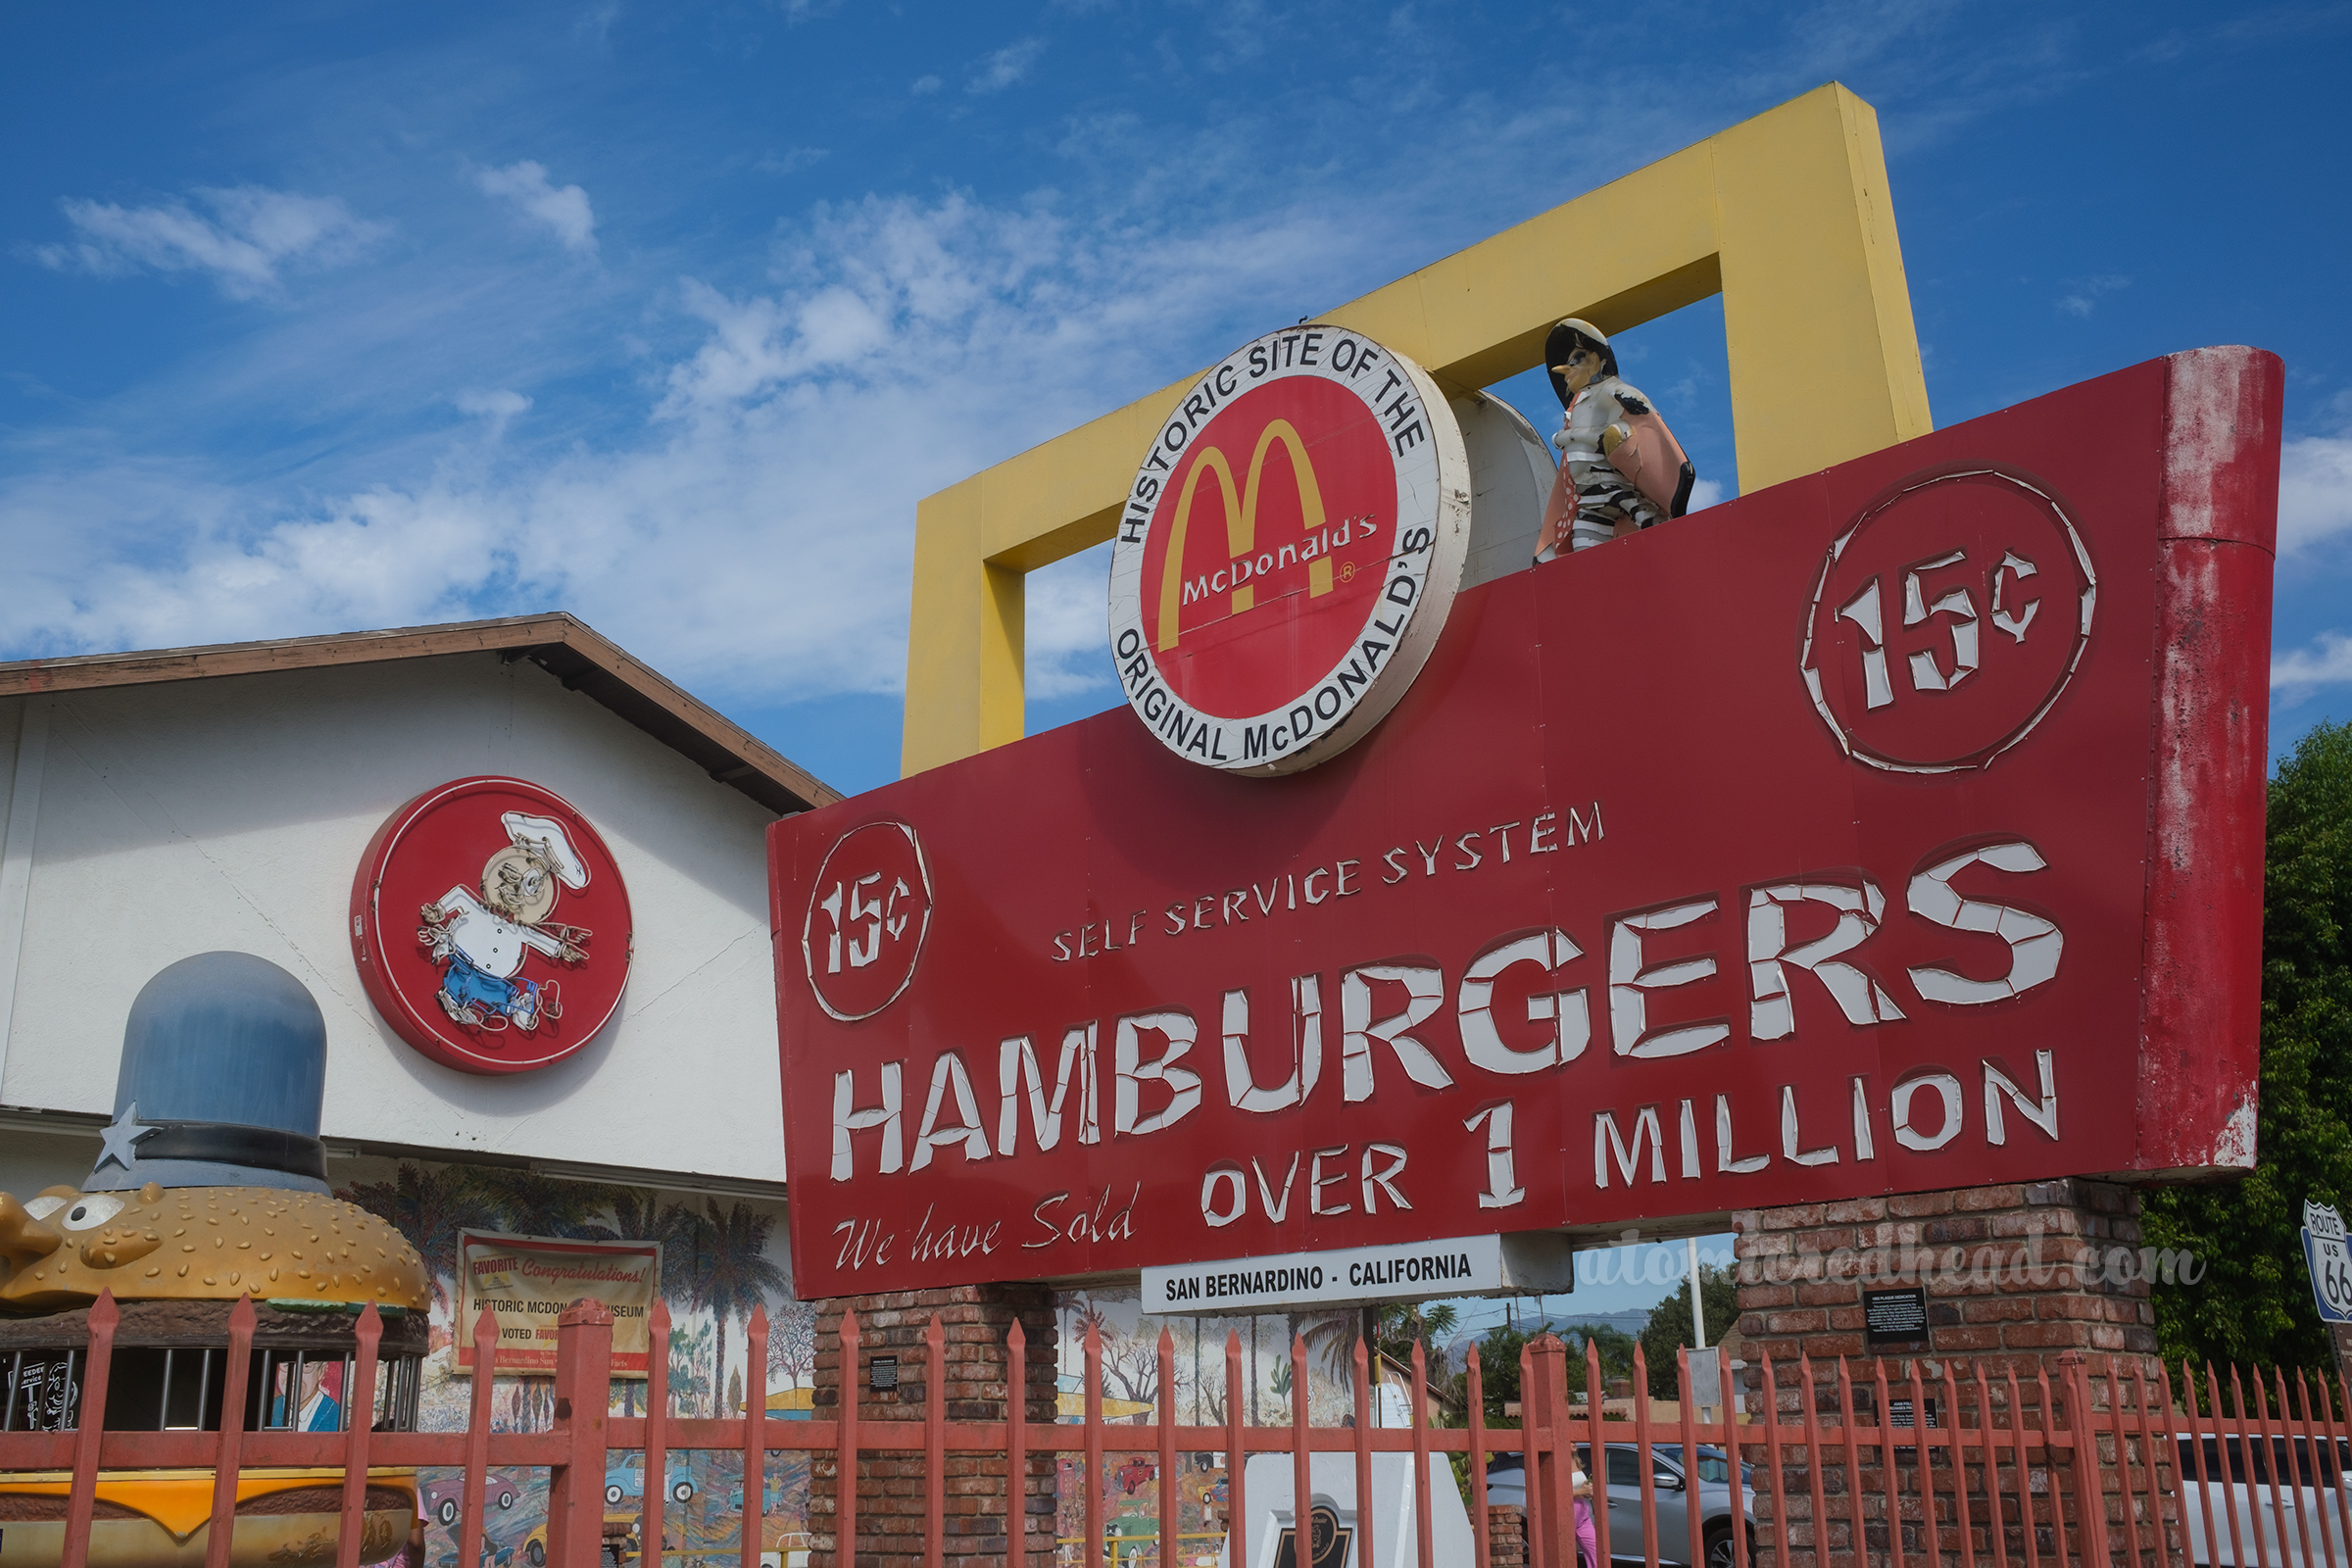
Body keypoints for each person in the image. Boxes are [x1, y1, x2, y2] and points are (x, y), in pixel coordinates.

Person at [1533, 318, 1696, 562]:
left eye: (1576, 359)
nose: (1567, 369)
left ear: (1596, 359)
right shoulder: (1577, 406)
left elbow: (1626, 398)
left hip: (1613, 487)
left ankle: (1667, 547)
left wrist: (1570, 436)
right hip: (1585, 499)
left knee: (1648, 525)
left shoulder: (1608, 389)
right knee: (1584, 552)